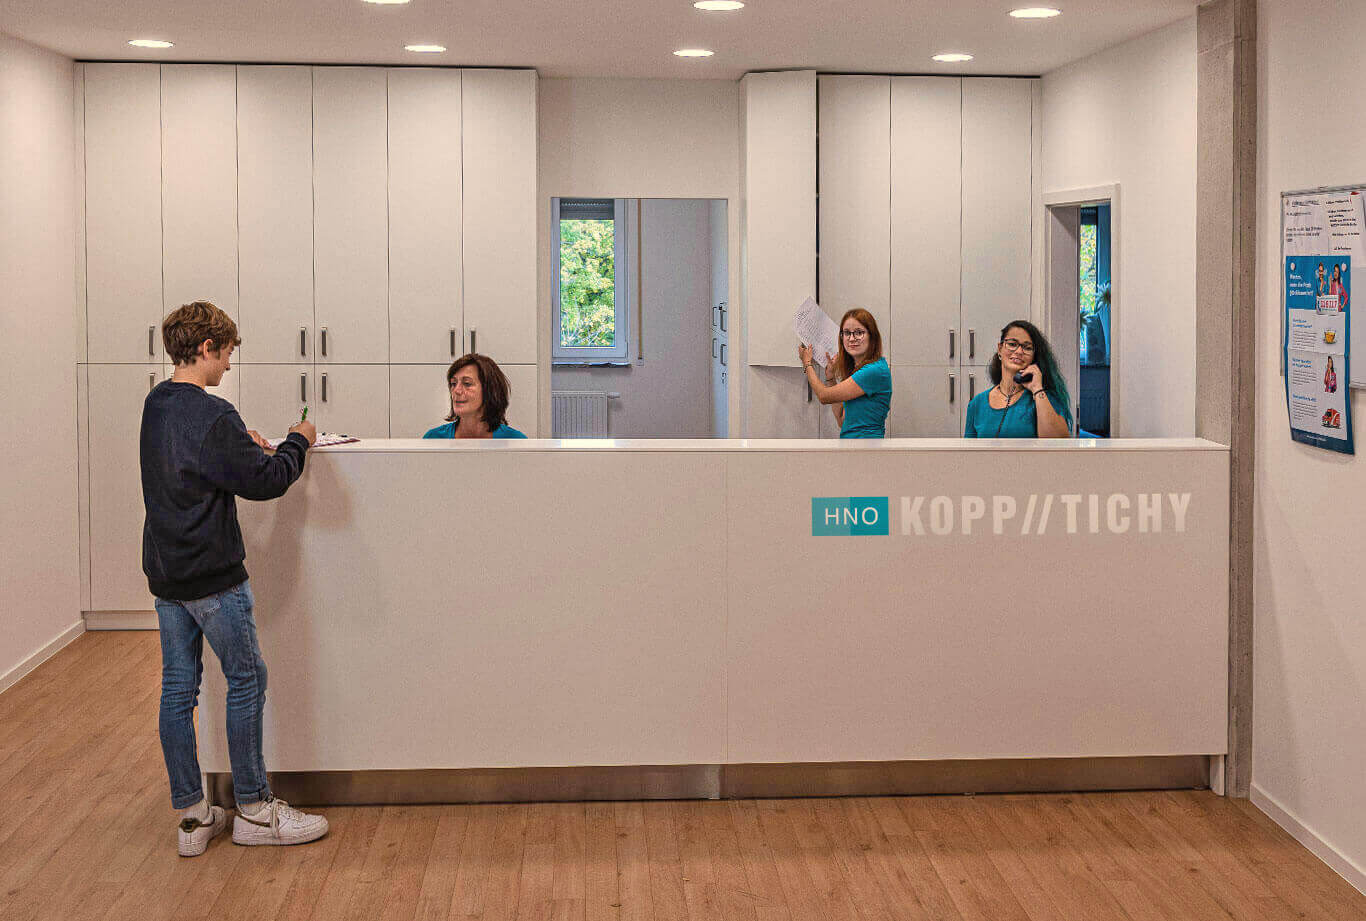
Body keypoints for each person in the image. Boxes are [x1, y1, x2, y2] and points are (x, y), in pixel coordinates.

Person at [141, 301, 329, 858]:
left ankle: (195, 817)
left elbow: (192, 467)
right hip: (213, 578)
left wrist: (234, 444)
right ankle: (253, 808)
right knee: (247, 679)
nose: (226, 367)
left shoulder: (156, 405)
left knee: (179, 690)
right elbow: (268, 481)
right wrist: (301, 439)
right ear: (206, 349)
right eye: (224, 355)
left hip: (167, 573)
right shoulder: (213, 413)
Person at [963, 320, 1072, 438]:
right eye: (1012, 344)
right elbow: (969, 454)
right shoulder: (977, 404)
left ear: (1034, 357)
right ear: (1000, 349)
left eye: (1027, 347)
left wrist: (1037, 389)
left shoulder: (1045, 398)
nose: (1019, 351)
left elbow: (1059, 445)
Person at [798, 308, 892, 438]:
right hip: (852, 447)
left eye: (859, 332)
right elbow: (841, 420)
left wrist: (807, 364)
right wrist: (830, 378)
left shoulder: (874, 371)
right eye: (847, 333)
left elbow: (824, 396)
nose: (852, 338)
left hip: (866, 450)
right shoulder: (859, 370)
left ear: (872, 336)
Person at [423, 353, 528, 439]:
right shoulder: (433, 439)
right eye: (453, 384)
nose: (456, 390)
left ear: (489, 390)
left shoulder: (516, 441)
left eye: (467, 384)